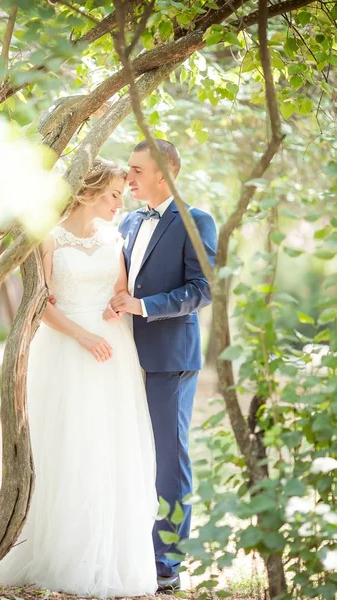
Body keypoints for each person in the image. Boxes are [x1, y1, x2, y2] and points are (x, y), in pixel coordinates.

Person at [0, 158, 158, 598]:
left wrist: (118, 305)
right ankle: (48, 547)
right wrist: (81, 335)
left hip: (110, 353)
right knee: (61, 442)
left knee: (104, 447)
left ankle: (98, 552)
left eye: (121, 194)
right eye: (114, 194)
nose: (121, 202)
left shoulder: (113, 238)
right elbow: (39, 302)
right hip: (63, 347)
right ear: (89, 192)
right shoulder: (48, 238)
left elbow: (120, 290)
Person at [108, 140, 217, 592]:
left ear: (165, 173)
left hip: (170, 357)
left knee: (169, 460)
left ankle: (167, 564)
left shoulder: (197, 221)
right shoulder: (130, 220)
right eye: (128, 170)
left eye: (136, 170)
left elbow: (203, 288)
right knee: (129, 454)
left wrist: (142, 305)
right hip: (121, 355)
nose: (128, 178)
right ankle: (130, 550)